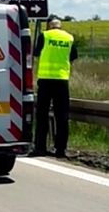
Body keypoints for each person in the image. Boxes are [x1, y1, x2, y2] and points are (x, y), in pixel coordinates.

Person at [32, 17, 78, 158]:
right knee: (62, 116)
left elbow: (36, 53)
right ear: (60, 26)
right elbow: (73, 56)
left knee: (42, 115)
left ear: (49, 26)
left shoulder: (45, 36)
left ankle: (40, 147)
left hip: (45, 80)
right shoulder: (69, 38)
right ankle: (60, 149)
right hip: (62, 80)